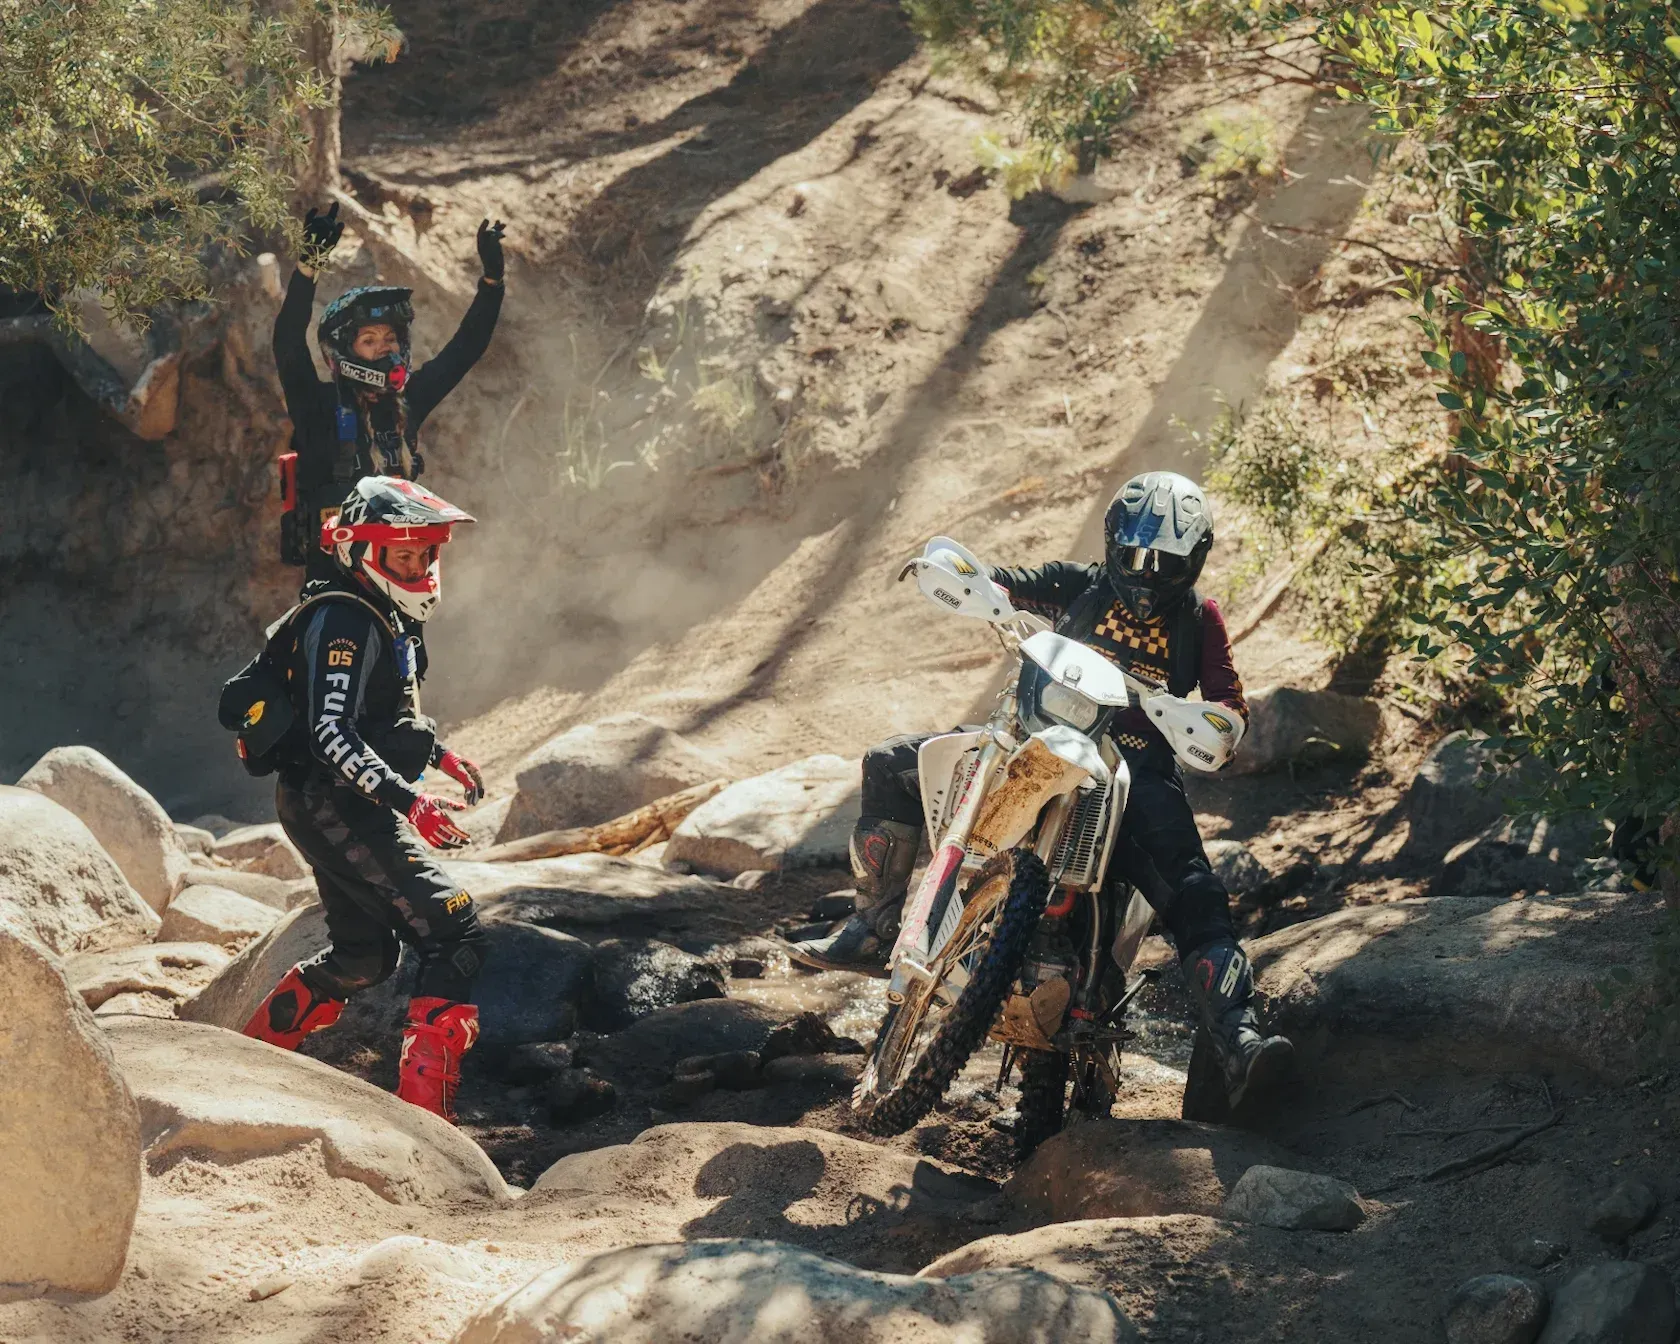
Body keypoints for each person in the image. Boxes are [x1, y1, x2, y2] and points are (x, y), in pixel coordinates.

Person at [791, 471, 1293, 1109]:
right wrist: (974, 585)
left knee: (1195, 890)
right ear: (1111, 545)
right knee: (891, 764)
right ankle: (873, 922)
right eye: (1134, 556)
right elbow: (1004, 581)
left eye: (1164, 562)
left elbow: (1229, 702)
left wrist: (1219, 722)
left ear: (1193, 561)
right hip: (1039, 732)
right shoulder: (1078, 584)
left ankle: (1238, 1039)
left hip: (1133, 766)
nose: (1145, 572)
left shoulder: (1200, 620)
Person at [242, 475, 491, 1123]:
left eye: (425, 554)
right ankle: (427, 1122)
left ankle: (247, 1059)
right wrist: (412, 801)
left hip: (328, 800)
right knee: (454, 928)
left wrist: (439, 756)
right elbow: (330, 731)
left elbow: (376, 716)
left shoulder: (373, 612)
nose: (418, 566)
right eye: (402, 555)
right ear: (361, 553)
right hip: (336, 802)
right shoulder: (344, 619)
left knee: (366, 958)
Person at [274, 202, 507, 580]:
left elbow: (466, 347)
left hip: (399, 580)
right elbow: (287, 341)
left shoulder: (408, 401)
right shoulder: (315, 403)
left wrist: (492, 283)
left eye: (391, 338)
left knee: (412, 640)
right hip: (331, 583)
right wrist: (308, 265)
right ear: (343, 351)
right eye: (369, 339)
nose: (385, 347)